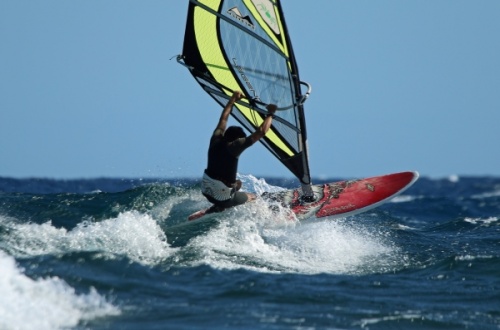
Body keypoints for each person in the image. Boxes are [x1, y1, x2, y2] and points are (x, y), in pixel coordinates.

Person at [201, 90, 277, 213]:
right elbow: (261, 132)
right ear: (237, 139)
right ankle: (218, 207)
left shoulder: (216, 138)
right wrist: (271, 114)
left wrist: (233, 100)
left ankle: (217, 206)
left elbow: (223, 119)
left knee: (238, 184)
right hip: (221, 196)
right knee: (253, 197)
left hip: (206, 188)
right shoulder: (235, 146)